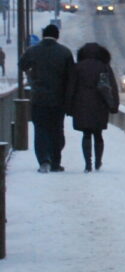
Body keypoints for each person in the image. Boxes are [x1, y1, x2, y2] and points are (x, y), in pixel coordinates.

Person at [19, 22, 74, 172]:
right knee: (57, 130)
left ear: (43, 35)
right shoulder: (65, 52)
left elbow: (22, 64)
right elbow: (71, 77)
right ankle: (56, 161)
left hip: (39, 98)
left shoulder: (33, 51)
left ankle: (44, 160)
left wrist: (31, 75)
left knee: (41, 130)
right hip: (58, 100)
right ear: (57, 36)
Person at [65, 41, 120, 172]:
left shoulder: (78, 67)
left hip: (81, 104)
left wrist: (68, 106)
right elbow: (112, 87)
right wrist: (114, 105)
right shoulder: (104, 66)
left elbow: (70, 87)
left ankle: (87, 164)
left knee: (86, 134)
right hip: (100, 105)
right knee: (98, 134)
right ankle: (98, 161)